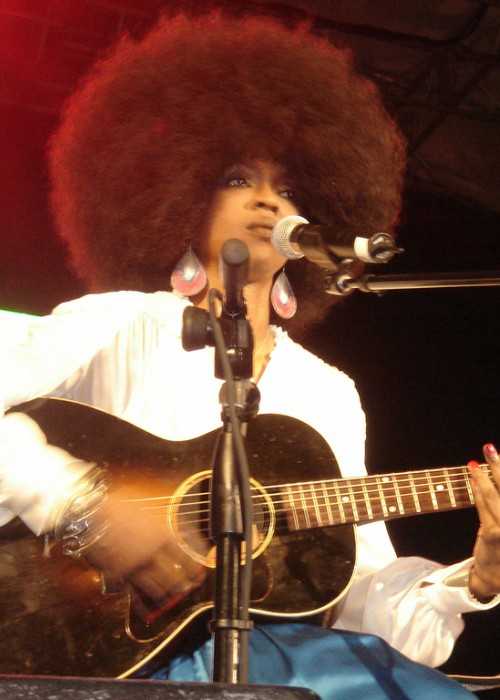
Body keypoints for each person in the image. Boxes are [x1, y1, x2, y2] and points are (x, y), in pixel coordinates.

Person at [1, 9, 500, 699]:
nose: (268, 201)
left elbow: (364, 607)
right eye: (239, 176)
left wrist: (473, 579)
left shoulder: (328, 392)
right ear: (179, 193)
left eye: (289, 186)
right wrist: (79, 501)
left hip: (270, 666)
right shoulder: (119, 324)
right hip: (92, 655)